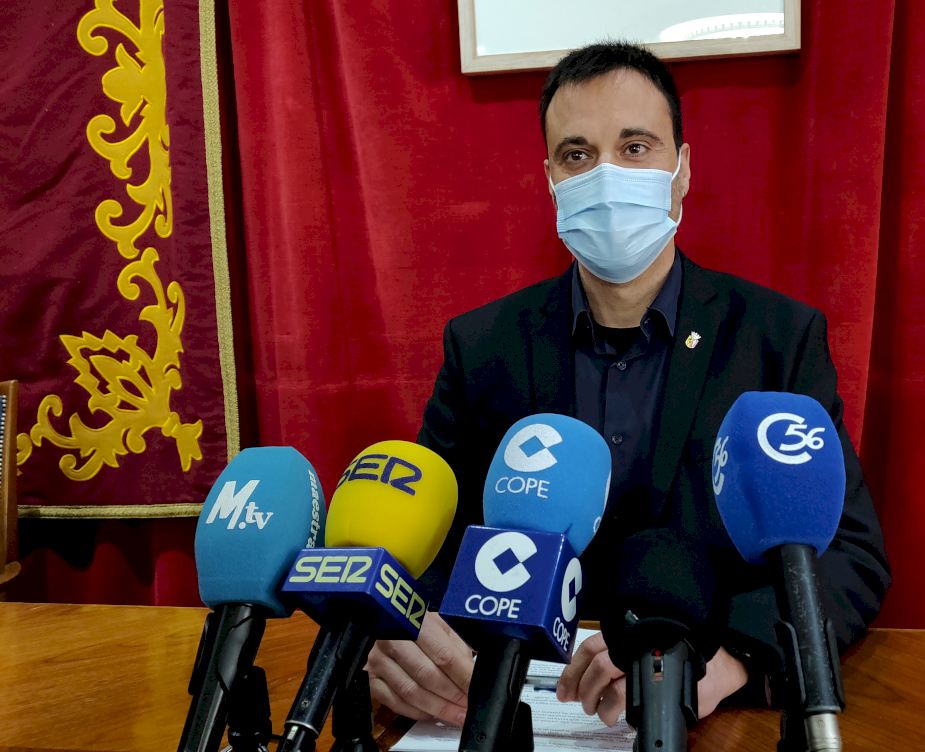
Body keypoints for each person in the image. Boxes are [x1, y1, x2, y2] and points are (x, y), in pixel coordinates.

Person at [366, 41, 890, 729]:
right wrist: (397, 627)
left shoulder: (775, 339)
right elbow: (430, 544)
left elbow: (847, 554)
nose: (606, 176)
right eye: (577, 155)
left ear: (682, 169)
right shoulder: (484, 346)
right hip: (513, 706)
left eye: (636, 148)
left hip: (709, 710)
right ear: (550, 177)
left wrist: (727, 659)